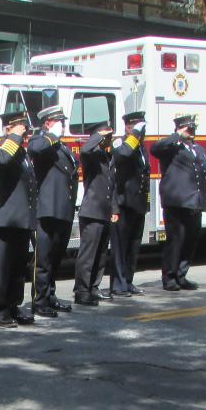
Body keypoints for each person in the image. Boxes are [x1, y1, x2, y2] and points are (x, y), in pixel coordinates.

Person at [0, 111, 38, 328]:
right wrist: (14, 138)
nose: (23, 132)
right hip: (6, 218)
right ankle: (0, 309)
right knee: (4, 267)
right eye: (19, 128)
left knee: (18, 267)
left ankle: (13, 305)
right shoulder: (0, 148)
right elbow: (2, 162)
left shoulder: (20, 151)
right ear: (8, 129)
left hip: (21, 219)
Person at [28, 105, 79, 317]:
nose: (63, 126)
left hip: (62, 209)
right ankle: (39, 300)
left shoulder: (61, 146)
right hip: (47, 210)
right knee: (44, 260)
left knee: (56, 258)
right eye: (59, 122)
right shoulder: (41, 141)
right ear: (48, 123)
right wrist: (51, 135)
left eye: (63, 122)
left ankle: (50, 295)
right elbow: (35, 148)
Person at [151, 114, 206, 291]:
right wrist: (177, 136)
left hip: (195, 202)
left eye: (192, 128)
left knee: (190, 241)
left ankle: (181, 275)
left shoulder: (199, 149)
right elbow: (155, 149)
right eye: (187, 128)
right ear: (179, 128)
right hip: (176, 202)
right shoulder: (171, 148)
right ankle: (169, 277)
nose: (191, 131)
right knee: (175, 241)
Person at [73, 122, 118, 306]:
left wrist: (115, 209)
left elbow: (112, 186)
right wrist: (99, 135)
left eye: (109, 137)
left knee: (100, 254)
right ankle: (82, 290)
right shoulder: (92, 156)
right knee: (88, 254)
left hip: (105, 211)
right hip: (91, 211)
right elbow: (85, 149)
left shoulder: (108, 157)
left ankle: (93, 287)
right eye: (106, 137)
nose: (108, 140)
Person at [110, 111, 150, 297]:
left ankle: (128, 280)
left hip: (138, 203)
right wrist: (134, 135)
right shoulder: (121, 143)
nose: (137, 130)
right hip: (123, 202)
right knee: (120, 246)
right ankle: (118, 284)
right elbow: (122, 155)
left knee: (133, 245)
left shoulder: (141, 147)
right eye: (133, 126)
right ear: (127, 126)